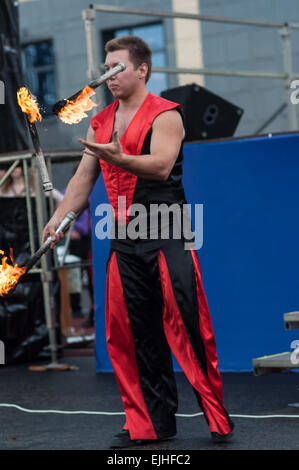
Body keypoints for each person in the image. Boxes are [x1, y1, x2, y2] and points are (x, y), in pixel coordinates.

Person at [42, 35, 234, 448]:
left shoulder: (166, 114)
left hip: (167, 234)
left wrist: (117, 156)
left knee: (187, 327)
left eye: (117, 68)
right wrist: (61, 217)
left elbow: (161, 166)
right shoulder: (101, 120)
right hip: (125, 240)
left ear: (142, 69)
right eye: (105, 69)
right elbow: (81, 179)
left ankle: (217, 417)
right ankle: (150, 423)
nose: (108, 76)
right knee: (132, 335)